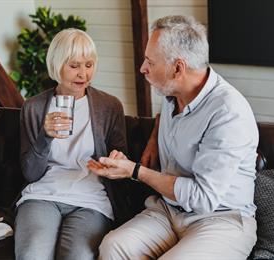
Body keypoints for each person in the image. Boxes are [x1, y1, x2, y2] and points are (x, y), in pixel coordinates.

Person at [87, 15, 259, 260]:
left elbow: (203, 198)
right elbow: (173, 116)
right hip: (168, 210)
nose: (142, 68)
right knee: (113, 247)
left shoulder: (228, 112)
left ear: (178, 68)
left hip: (220, 218)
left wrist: (135, 171)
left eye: (149, 62)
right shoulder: (173, 94)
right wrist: (155, 136)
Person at [14, 28, 131, 260]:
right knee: (32, 255)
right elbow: (30, 173)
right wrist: (45, 136)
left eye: (89, 65)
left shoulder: (110, 106)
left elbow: (122, 162)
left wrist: (114, 164)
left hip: (91, 198)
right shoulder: (34, 108)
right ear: (57, 65)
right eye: (74, 65)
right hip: (43, 194)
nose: (83, 74)